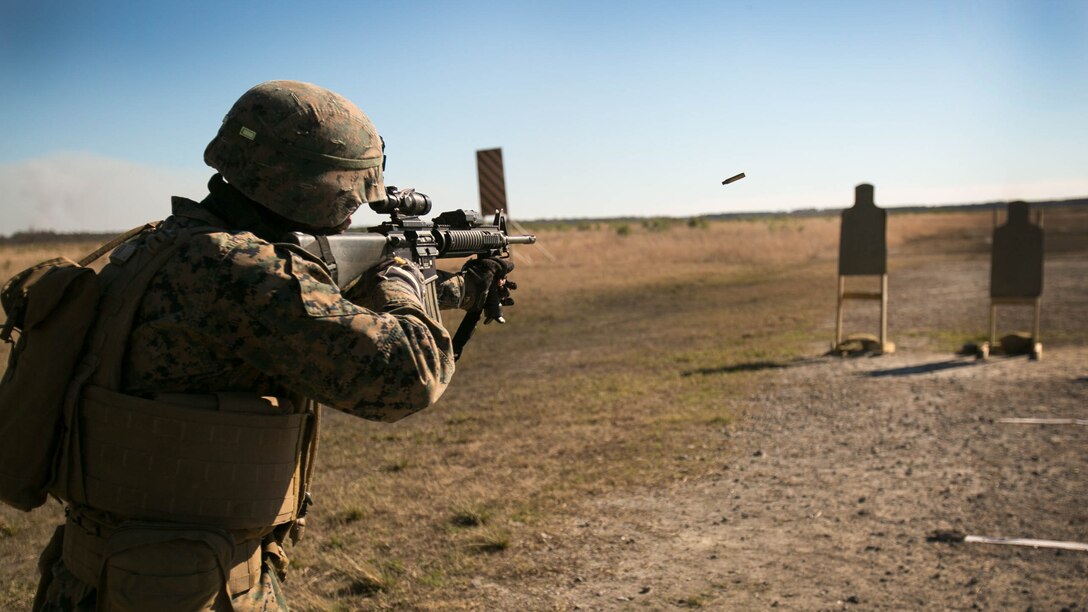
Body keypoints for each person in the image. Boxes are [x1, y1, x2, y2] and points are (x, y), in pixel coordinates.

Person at [34, 80, 514, 611]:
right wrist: (404, 273)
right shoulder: (241, 269)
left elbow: (310, 319)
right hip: (178, 584)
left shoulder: (173, 243)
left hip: (111, 567)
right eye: (351, 192)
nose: (355, 211)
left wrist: (458, 289)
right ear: (313, 184)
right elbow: (407, 376)